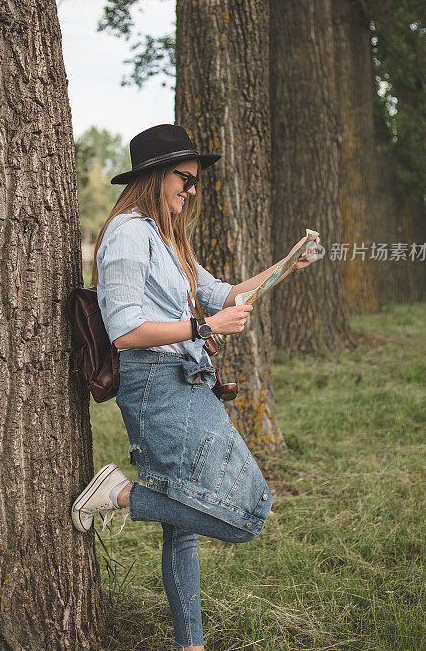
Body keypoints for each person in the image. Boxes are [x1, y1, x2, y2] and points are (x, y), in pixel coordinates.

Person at [71, 124, 316, 651]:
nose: (192, 190)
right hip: (156, 384)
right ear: (155, 176)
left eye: (195, 181)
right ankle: (118, 494)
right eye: (184, 178)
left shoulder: (166, 237)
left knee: (181, 524)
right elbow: (125, 329)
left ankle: (190, 643)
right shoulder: (129, 234)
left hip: (183, 380)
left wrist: (286, 266)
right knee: (249, 513)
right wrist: (203, 328)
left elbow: (226, 295)